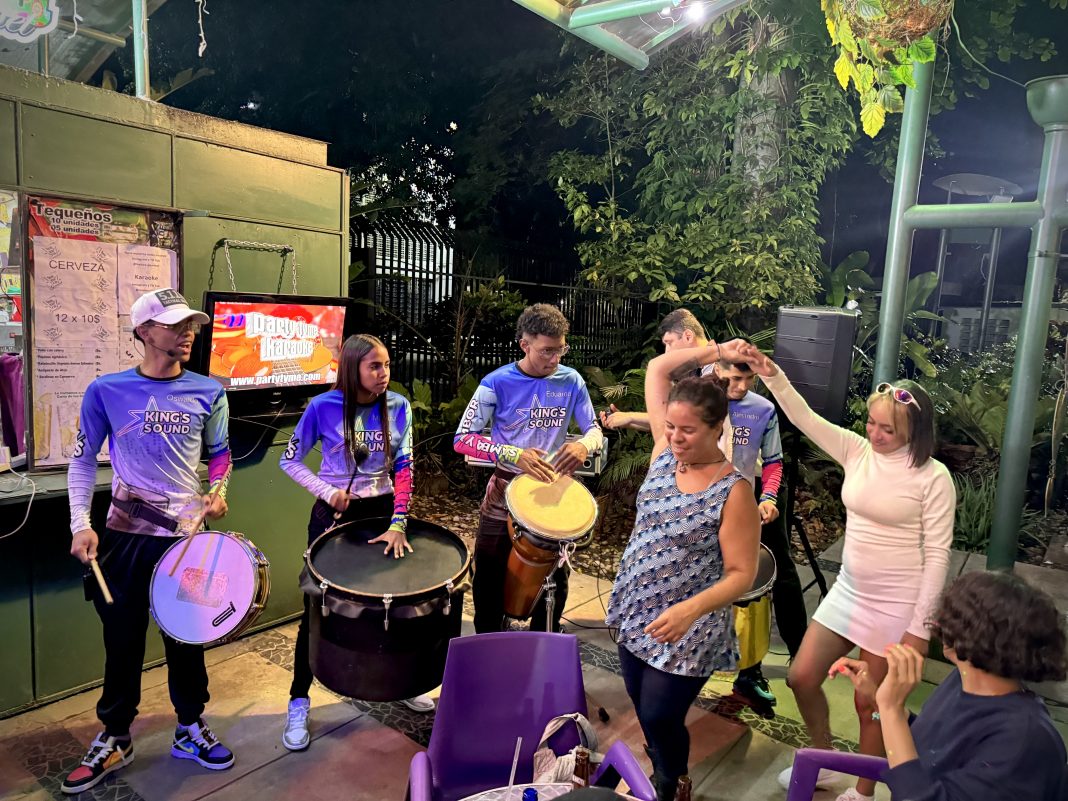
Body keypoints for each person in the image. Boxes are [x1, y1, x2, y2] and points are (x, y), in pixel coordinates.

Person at [721, 339, 955, 801]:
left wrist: (919, 629)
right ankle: (825, 758)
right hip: (850, 590)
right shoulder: (857, 450)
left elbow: (938, 556)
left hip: (897, 603)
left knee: (872, 703)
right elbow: (804, 418)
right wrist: (770, 372)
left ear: (915, 430)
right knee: (801, 676)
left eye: (887, 428)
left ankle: (863, 791)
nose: (875, 433)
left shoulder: (934, 477)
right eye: (872, 422)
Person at [64, 288, 234, 794]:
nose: (188, 333)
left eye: (191, 325)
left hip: (187, 540)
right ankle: (116, 735)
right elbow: (82, 460)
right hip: (124, 538)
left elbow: (220, 455)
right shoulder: (105, 391)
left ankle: (189, 726)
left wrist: (218, 493)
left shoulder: (210, 391)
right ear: (143, 331)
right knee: (122, 639)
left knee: (188, 637)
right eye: (175, 325)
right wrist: (79, 523)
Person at [600, 311, 807, 709]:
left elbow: (774, 460)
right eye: (731, 378)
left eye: (746, 379)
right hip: (662, 568)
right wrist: (716, 350)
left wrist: (767, 497)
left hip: (739, 506)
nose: (737, 386)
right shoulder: (695, 407)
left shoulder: (759, 410)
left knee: (766, 580)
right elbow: (669, 406)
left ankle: (758, 668)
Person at [605, 339, 761, 801]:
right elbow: (658, 368)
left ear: (717, 428)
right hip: (637, 607)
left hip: (690, 624)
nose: (675, 437)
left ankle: (672, 783)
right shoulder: (662, 454)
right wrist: (718, 349)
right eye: (671, 426)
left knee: (660, 714)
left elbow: (742, 573)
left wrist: (689, 610)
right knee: (640, 704)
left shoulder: (734, 492)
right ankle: (663, 768)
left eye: (688, 430)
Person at [278, 333, 433, 752]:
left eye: (387, 365)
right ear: (352, 368)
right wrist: (326, 491)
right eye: (374, 366)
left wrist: (398, 522)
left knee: (393, 604)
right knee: (318, 607)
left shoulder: (398, 406)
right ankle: (298, 700)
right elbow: (289, 459)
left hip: (382, 514)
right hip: (334, 517)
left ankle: (401, 683)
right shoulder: (322, 407)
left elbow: (405, 467)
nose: (384, 374)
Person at [831, 570, 1068, 801]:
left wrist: (891, 708)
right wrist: (878, 698)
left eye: (953, 617)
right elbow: (932, 743)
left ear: (980, 638)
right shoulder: (962, 681)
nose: (938, 623)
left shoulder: (1023, 740)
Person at [454, 303, 604, 633]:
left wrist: (584, 445)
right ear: (525, 344)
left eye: (560, 349)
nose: (555, 358)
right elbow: (462, 440)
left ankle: (542, 642)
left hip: (554, 493)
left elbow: (594, 430)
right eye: (547, 350)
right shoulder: (496, 382)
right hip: (504, 491)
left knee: (555, 579)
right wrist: (512, 453)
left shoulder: (572, 381)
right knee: (488, 574)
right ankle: (488, 643)